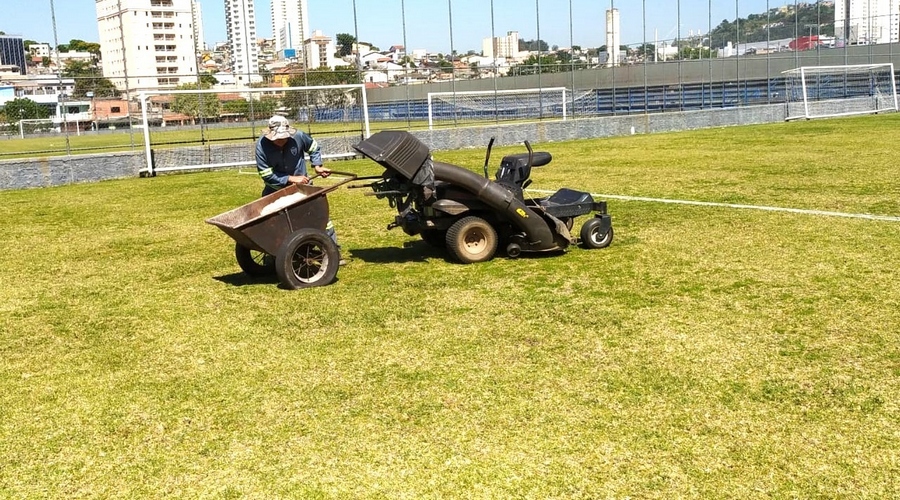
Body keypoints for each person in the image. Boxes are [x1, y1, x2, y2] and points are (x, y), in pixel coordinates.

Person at [256, 115, 345, 263]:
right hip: (275, 190)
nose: (281, 141)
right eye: (277, 139)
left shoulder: (298, 136)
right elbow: (266, 174)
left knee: (320, 218)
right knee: (273, 223)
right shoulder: (261, 146)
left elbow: (313, 147)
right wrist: (290, 179)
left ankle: (333, 252)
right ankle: (273, 254)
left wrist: (317, 165)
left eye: (284, 138)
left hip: (302, 189)